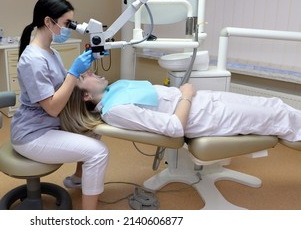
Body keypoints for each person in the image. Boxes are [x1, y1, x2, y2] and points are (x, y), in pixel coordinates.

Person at [10, 0, 109, 210]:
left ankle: (78, 178)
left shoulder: (49, 51)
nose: (69, 28)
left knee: (92, 127)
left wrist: (84, 66)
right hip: (32, 134)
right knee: (98, 151)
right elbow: (53, 108)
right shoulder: (32, 60)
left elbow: (62, 83)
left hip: (47, 124)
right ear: (48, 22)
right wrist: (74, 72)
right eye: (67, 23)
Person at [59, 71, 301, 142]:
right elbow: (174, 128)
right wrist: (185, 94)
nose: (89, 72)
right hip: (205, 117)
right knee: (279, 116)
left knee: (274, 104)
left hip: (205, 103)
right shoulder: (115, 111)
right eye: (84, 77)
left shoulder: (114, 91)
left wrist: (188, 95)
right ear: (86, 96)